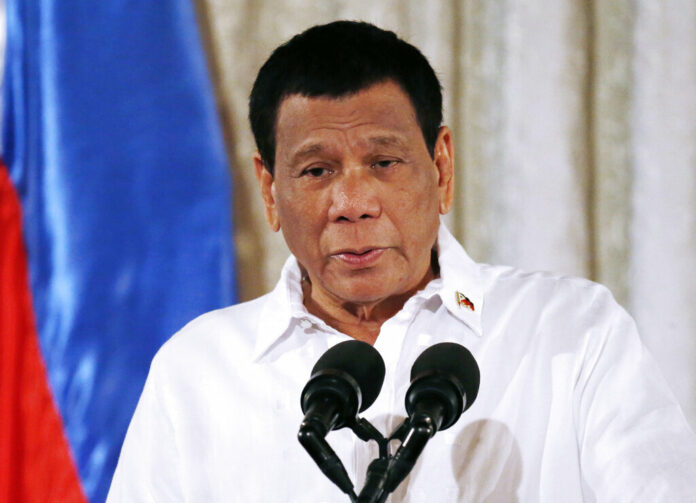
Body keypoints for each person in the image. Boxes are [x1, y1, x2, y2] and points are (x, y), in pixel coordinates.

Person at [107, 21, 696, 502]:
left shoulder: (571, 331)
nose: (353, 205)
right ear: (269, 192)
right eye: (317, 171)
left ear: (441, 168)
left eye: (385, 163)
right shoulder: (198, 371)